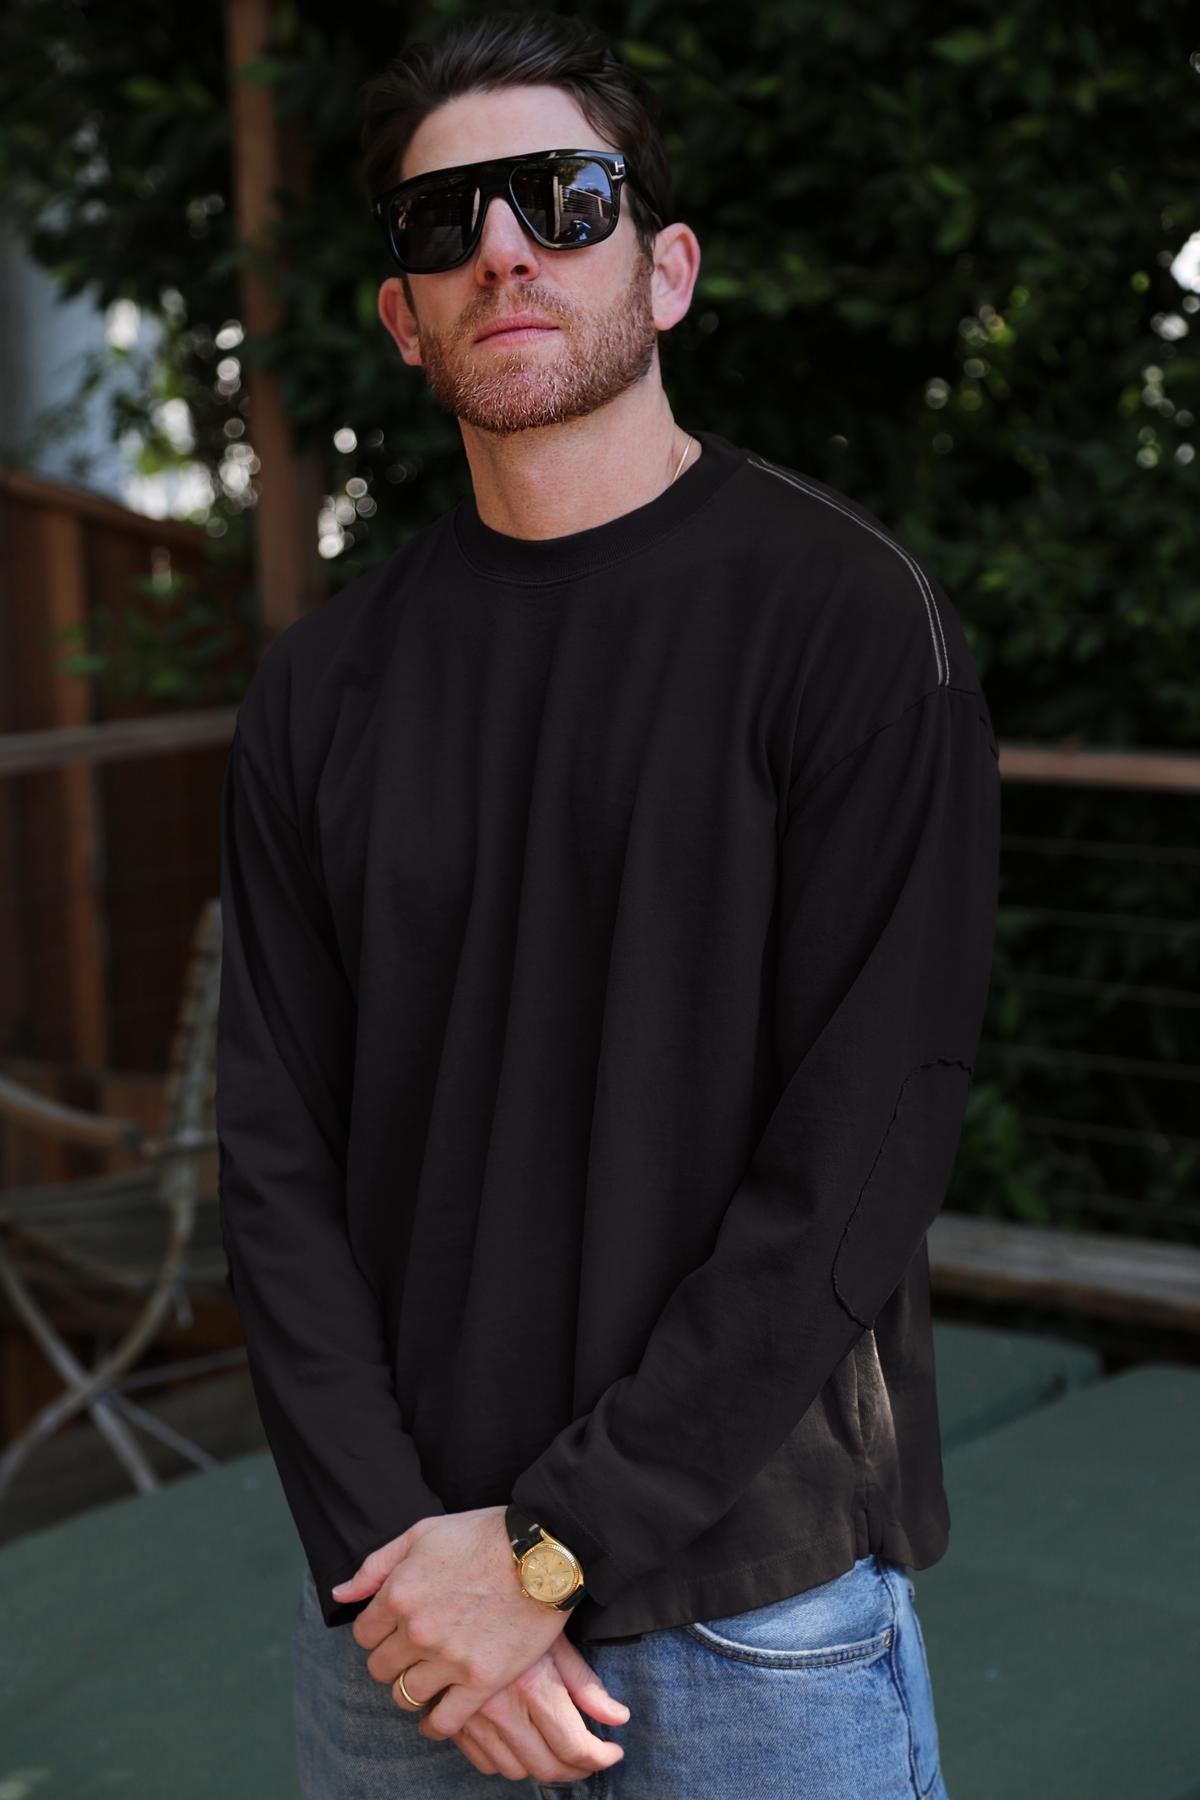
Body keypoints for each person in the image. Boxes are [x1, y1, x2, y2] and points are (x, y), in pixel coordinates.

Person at [215, 11, 999, 1797]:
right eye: (443, 224)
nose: (503, 247)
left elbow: (860, 1161)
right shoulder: (323, 688)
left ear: (667, 268)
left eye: (560, 200)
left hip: (746, 1621)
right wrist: (412, 1560)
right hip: (400, 1626)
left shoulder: (857, 630)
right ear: (404, 318)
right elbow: (273, 1162)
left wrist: (546, 1552)